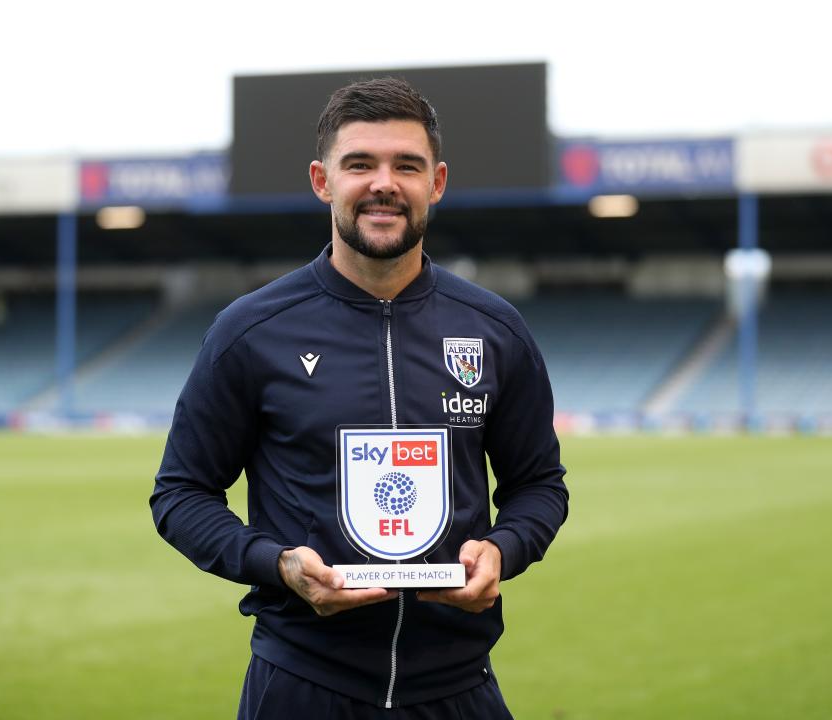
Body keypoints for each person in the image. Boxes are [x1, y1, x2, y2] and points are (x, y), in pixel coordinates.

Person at [150, 77, 569, 718]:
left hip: (458, 687)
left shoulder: (495, 329)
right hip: (302, 684)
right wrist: (276, 562)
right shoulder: (251, 330)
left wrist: (504, 547)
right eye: (360, 164)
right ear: (323, 181)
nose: (384, 184)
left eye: (407, 165)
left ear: (438, 182)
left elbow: (539, 484)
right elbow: (180, 493)